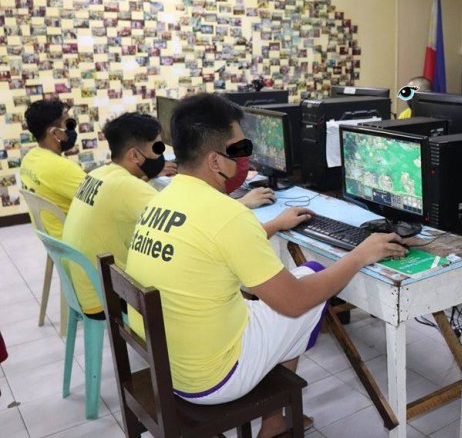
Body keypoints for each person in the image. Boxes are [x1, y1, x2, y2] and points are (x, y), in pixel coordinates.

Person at [125, 94, 406, 437]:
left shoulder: (161, 199)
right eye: (240, 148)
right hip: (212, 380)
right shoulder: (227, 215)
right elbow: (296, 300)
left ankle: (274, 421)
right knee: (308, 284)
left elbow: (210, 246)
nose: (246, 157)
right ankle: (273, 422)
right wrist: (360, 254)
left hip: (166, 368)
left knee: (273, 299)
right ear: (216, 161)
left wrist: (272, 225)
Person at [63, 112, 277, 319]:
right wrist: (244, 202)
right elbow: (193, 220)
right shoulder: (126, 187)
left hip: (89, 285)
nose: (162, 155)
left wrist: (149, 175)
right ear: (135, 155)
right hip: (108, 298)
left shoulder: (100, 173)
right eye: (157, 148)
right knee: (209, 269)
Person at [20, 99, 85, 239]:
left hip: (54, 243)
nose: (73, 128)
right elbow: (105, 201)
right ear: (55, 133)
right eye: (68, 124)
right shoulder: (62, 168)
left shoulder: (29, 159)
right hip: (77, 247)